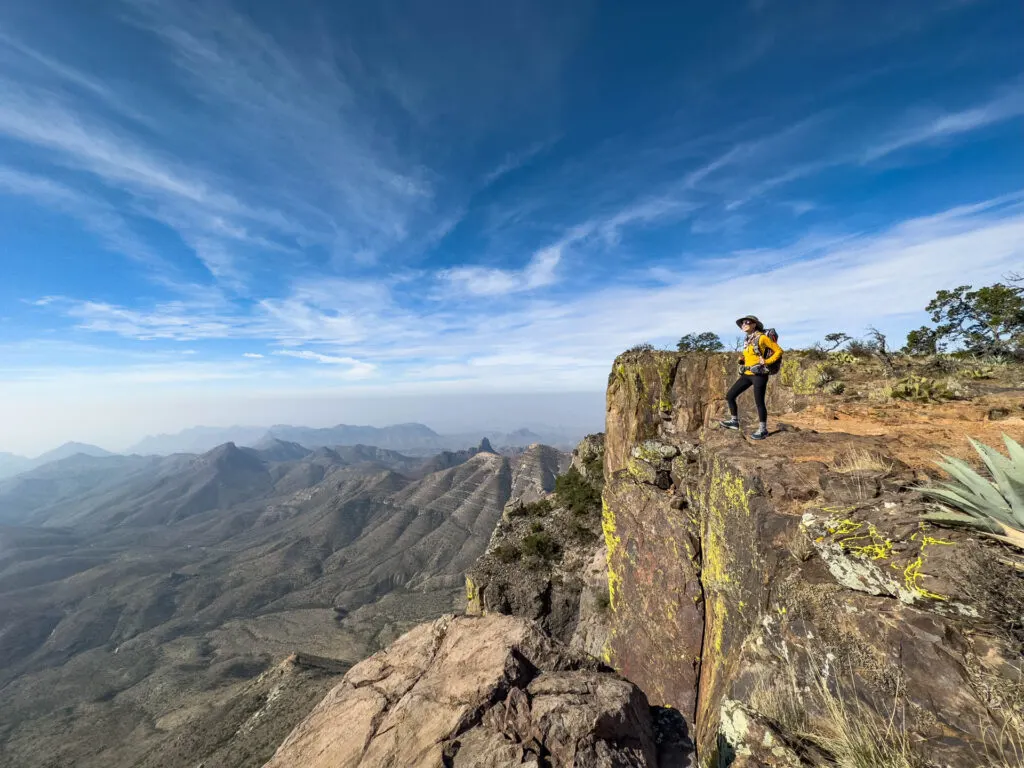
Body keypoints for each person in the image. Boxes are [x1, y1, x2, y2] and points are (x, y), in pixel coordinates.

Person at [719, 315, 782, 440]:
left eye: (747, 322)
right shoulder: (747, 339)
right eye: (742, 323)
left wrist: (767, 361)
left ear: (754, 324)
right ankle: (734, 421)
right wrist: (742, 359)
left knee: (759, 402)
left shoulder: (762, 338)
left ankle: (763, 430)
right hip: (747, 374)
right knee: (730, 396)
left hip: (759, 375)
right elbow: (748, 355)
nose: (744, 324)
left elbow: (779, 351)